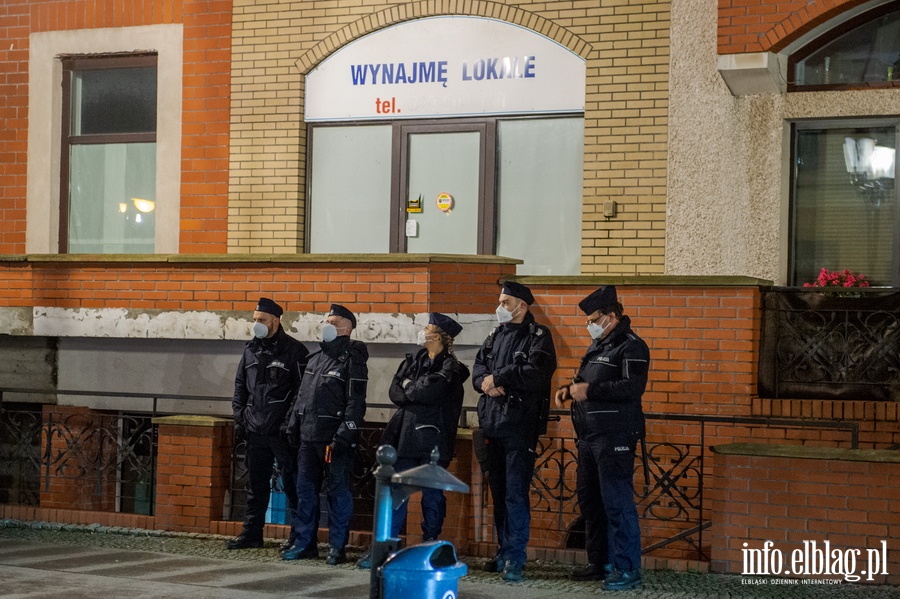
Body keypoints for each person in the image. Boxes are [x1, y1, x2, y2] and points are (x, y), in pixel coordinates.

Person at [554, 285, 650, 592]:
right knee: (591, 501)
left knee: (617, 504)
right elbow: (586, 381)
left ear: (611, 316)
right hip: (589, 436)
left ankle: (627, 568)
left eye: (593, 318)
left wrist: (589, 391)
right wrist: (570, 391)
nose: (589, 324)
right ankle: (600, 562)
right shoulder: (598, 346)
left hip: (615, 435)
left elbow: (632, 388)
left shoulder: (631, 346)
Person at [357, 313, 470, 569]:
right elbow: (395, 391)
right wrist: (413, 389)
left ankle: (431, 545)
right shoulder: (413, 360)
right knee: (396, 493)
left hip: (433, 440)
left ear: (439, 336)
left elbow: (429, 392)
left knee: (432, 496)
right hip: (405, 436)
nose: (423, 331)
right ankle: (387, 547)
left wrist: (412, 388)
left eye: (427, 328)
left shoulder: (450, 368)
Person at [473, 281, 556, 582]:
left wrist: (500, 377)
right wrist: (486, 381)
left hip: (520, 426)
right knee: (499, 493)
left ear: (522, 305)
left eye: (506, 302)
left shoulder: (539, 336)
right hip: (492, 424)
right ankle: (502, 549)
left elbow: (536, 374)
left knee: (515, 494)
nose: (500, 307)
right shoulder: (495, 335)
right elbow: (478, 370)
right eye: (500, 301)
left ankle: (515, 557)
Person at [282, 304, 368, 566]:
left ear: (347, 327)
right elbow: (302, 395)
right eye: (327, 320)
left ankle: (337, 547)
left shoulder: (353, 360)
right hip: (308, 437)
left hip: (334, 440)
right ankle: (305, 543)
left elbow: (356, 402)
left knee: (337, 493)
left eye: (333, 321)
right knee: (305, 491)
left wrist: (344, 434)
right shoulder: (315, 358)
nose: (327, 325)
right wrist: (292, 425)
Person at [227, 297, 309, 550]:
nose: (257, 325)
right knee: (256, 485)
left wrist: (288, 423)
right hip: (255, 429)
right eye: (255, 320)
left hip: (281, 432)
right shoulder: (251, 349)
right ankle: (251, 534)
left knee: (293, 484)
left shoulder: (295, 351)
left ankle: (298, 537)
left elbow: (301, 391)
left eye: (261, 320)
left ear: (275, 320)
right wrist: (240, 415)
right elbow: (240, 386)